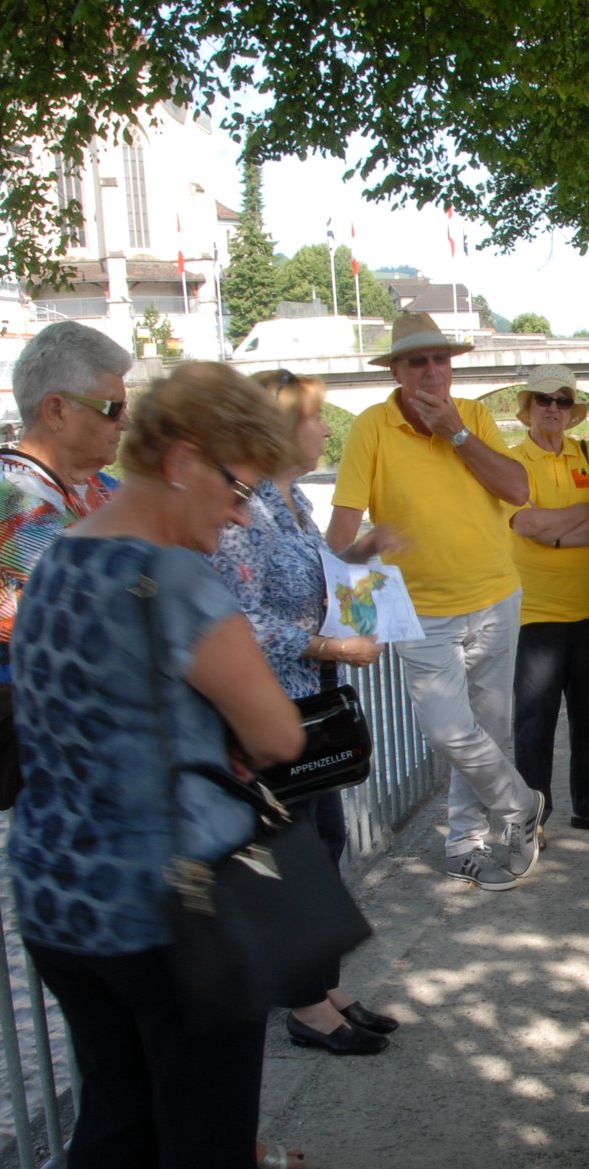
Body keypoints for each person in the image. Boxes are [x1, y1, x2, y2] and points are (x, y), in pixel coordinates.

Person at [9, 363, 348, 1169]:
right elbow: (279, 728)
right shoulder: (175, 579)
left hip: (59, 897)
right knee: (203, 1132)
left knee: (114, 1118)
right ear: (185, 456)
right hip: (177, 904)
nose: (242, 515)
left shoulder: (64, 556)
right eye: (238, 486)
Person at [210, 369, 404, 1056]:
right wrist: (328, 643)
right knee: (296, 854)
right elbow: (238, 616)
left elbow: (310, 577)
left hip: (306, 703)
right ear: (277, 426)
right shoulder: (244, 509)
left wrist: (360, 554)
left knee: (322, 845)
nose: (327, 428)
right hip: (268, 707)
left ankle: (320, 987)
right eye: (316, 418)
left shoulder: (286, 501)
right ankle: (302, 1004)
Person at [326, 312, 545, 893]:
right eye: (416, 361)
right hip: (419, 612)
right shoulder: (371, 428)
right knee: (450, 732)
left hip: (496, 597)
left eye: (440, 359)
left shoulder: (472, 416)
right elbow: (344, 530)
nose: (431, 371)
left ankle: (464, 844)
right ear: (395, 371)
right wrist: (354, 624)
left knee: (489, 732)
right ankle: (521, 806)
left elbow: (518, 490)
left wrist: (458, 434)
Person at [0, 321, 132, 680]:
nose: (126, 423)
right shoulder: (1, 489)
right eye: (114, 409)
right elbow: (100, 590)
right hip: (38, 720)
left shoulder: (101, 486)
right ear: (56, 410)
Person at [505, 365, 589, 836]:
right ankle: (534, 816)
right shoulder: (512, 462)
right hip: (535, 610)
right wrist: (580, 515)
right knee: (534, 721)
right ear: (528, 409)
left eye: (561, 400)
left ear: (571, 410)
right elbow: (524, 525)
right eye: (543, 400)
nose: (552, 408)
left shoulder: (587, 452)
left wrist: (558, 531)